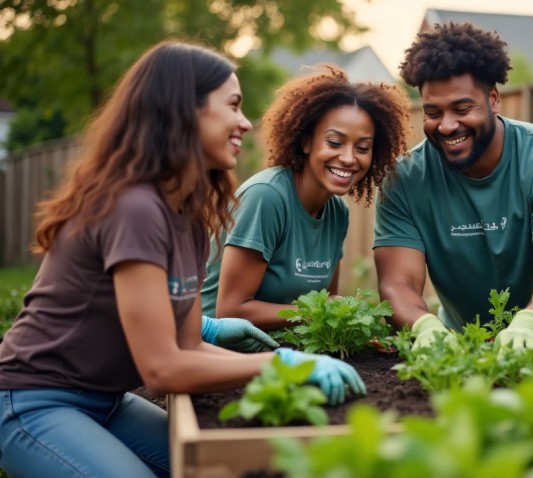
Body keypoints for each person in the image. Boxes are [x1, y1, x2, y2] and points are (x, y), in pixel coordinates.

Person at [0, 41, 366, 478]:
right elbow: (162, 370)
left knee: (226, 465)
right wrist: (284, 366)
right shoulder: (133, 207)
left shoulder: (189, 216)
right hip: (35, 399)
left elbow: (188, 344)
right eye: (232, 106)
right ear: (183, 112)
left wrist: (282, 366)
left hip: (107, 399)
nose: (245, 123)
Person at [373, 22, 533, 355]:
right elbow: (399, 282)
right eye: (433, 112)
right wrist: (424, 327)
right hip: (461, 344)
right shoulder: (404, 180)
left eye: (462, 108)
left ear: (493, 99)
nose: (448, 125)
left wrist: (529, 325)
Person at [201, 64, 410, 330]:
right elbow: (231, 311)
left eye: (362, 147)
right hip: (219, 351)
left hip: (284, 347)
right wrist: (323, 311)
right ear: (306, 142)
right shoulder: (266, 197)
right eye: (334, 143)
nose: (348, 158)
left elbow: (325, 300)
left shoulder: (336, 212)